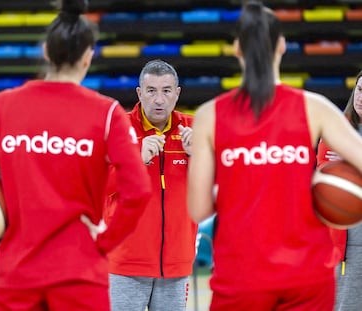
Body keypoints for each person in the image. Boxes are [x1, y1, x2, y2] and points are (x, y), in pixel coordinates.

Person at [0, 0, 151, 310]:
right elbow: (138, 191)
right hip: (80, 275)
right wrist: (104, 243)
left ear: (46, 52)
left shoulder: (0, 108)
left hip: (16, 277)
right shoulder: (107, 113)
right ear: (88, 56)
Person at [187, 1, 362, 310]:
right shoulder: (315, 107)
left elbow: (199, 208)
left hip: (240, 274)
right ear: (282, 45)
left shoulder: (209, 115)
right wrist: (327, 188)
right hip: (307, 275)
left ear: (237, 49)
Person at [104, 59, 198, 311]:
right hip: (125, 264)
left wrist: (198, 159)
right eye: (151, 91)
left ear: (177, 93)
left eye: (166, 91)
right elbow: (96, 188)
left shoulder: (195, 129)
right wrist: (135, 161)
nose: (159, 100)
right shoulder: (117, 129)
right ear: (139, 93)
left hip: (176, 265)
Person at [317, 70, 362, 311]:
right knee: (344, 305)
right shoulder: (335, 129)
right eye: (360, 89)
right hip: (345, 243)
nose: (361, 97)